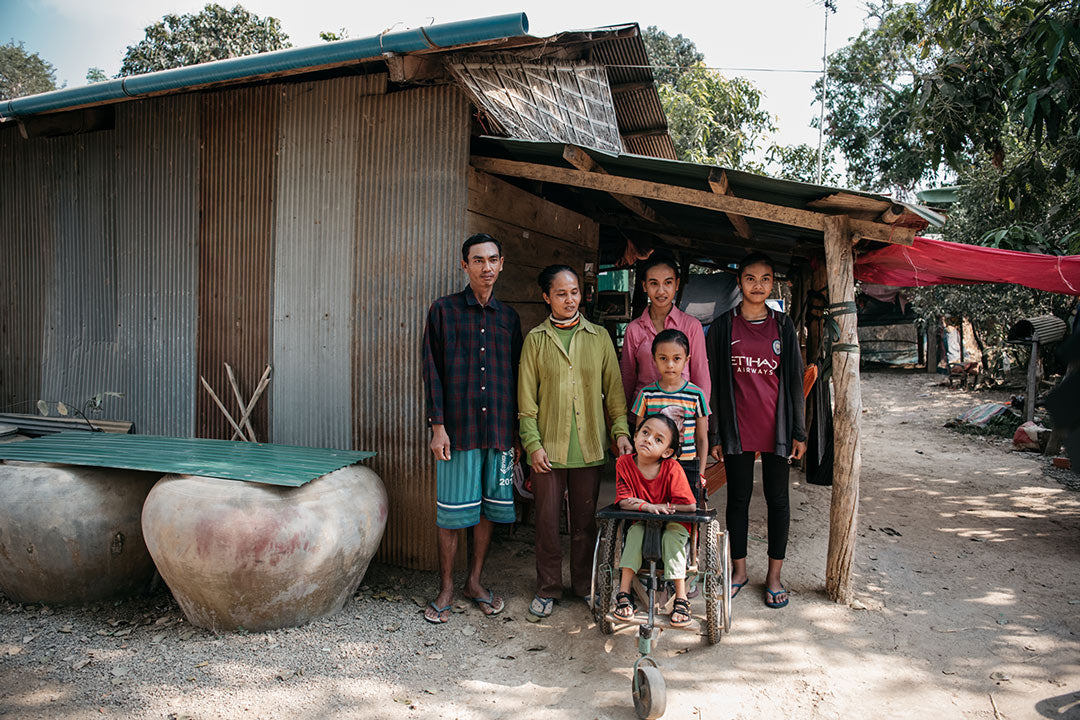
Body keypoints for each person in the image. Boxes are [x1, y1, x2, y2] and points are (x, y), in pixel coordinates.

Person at [518, 264, 633, 618]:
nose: (570, 300)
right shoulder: (536, 340)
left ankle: (584, 585)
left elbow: (614, 394)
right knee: (548, 524)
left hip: (588, 448)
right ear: (546, 297)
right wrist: (532, 444)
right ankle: (548, 588)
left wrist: (621, 433)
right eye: (561, 293)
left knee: (584, 525)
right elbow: (526, 402)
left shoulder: (598, 337)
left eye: (575, 293)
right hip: (547, 450)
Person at [421, 233, 523, 624]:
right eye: (478, 260)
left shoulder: (509, 318)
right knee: (451, 513)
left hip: (497, 432)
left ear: (501, 264)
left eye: (493, 259)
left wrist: (516, 436)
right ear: (464, 266)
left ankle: (474, 582)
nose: (486, 267)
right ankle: (446, 587)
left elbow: (516, 377)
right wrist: (437, 426)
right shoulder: (443, 311)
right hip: (457, 432)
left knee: (486, 509)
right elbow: (432, 372)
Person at [706, 251, 806, 609]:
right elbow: (714, 384)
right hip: (737, 428)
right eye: (751, 278)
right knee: (738, 499)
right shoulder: (722, 327)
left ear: (772, 283)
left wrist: (799, 431)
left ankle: (774, 577)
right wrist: (715, 434)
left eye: (765, 279)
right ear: (740, 282)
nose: (758, 285)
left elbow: (794, 379)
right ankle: (740, 571)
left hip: (775, 428)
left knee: (779, 500)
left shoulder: (783, 326)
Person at [612, 414, 698, 628]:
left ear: (668, 452)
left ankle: (681, 598)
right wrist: (649, 507)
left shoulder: (672, 469)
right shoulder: (623, 463)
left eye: (658, 440)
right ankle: (624, 592)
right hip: (642, 519)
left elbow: (690, 506)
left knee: (672, 538)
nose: (648, 439)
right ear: (635, 435)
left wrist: (665, 508)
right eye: (645, 432)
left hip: (673, 520)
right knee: (634, 535)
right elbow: (623, 501)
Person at [630, 329, 710, 506]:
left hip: (687, 466)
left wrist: (701, 473)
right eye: (663, 358)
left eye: (676, 358)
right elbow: (639, 434)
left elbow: (702, 439)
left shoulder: (696, 395)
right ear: (654, 359)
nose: (670, 365)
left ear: (687, 360)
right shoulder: (646, 395)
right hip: (653, 465)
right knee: (654, 508)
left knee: (684, 510)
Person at [620, 256, 710, 411]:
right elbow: (627, 377)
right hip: (644, 415)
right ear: (644, 286)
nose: (661, 291)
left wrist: (702, 421)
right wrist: (622, 420)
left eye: (668, 282)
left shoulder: (691, 326)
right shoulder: (634, 329)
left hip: (683, 415)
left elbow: (700, 374)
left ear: (676, 284)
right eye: (654, 283)